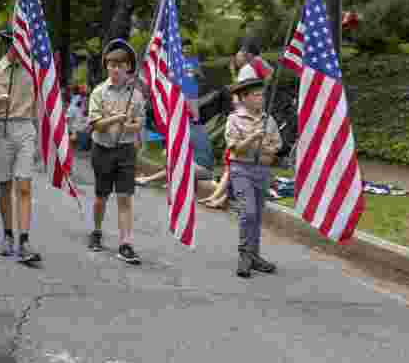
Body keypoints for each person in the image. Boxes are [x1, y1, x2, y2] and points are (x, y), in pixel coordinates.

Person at [0, 27, 42, 263]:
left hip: (25, 129)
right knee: (4, 185)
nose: (20, 47)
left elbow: (40, 108)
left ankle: (24, 241)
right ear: (8, 44)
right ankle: (7, 234)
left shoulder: (33, 71)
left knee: (24, 185)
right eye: (15, 42)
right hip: (3, 130)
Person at [86, 39, 145, 264]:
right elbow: (96, 124)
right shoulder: (99, 92)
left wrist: (128, 125)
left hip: (125, 151)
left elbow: (139, 124)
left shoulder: (136, 95)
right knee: (101, 196)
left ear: (129, 67)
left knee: (125, 198)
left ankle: (125, 243)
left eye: (120, 65)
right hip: (102, 148)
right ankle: (97, 230)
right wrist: (117, 118)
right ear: (107, 67)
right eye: (111, 65)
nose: (115, 69)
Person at [136, 38, 216, 193]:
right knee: (178, 162)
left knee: (178, 163)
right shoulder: (194, 126)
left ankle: (148, 179)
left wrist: (192, 73)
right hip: (200, 166)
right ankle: (162, 180)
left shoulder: (186, 129)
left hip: (201, 168)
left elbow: (200, 77)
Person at [225, 77, 283, 278]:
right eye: (256, 95)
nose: (261, 99)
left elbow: (275, 148)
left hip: (262, 171)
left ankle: (255, 256)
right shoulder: (234, 119)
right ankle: (244, 255)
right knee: (248, 212)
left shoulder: (270, 120)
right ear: (244, 98)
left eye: (262, 95)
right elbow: (235, 148)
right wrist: (253, 138)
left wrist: (261, 146)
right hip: (242, 170)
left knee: (257, 215)